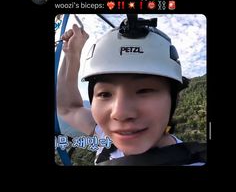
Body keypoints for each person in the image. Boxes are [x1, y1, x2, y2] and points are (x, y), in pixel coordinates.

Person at [56, 15, 206, 166]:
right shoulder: (107, 136)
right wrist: (72, 54)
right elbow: (68, 108)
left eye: (144, 90)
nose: (120, 114)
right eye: (105, 94)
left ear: (174, 99)